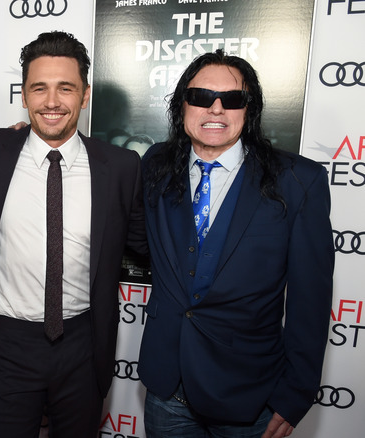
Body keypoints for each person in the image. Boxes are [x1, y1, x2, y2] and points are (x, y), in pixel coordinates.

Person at [0, 31, 147, 437]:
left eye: (66, 88)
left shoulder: (121, 166)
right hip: (8, 344)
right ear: (23, 95)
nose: (52, 101)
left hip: (83, 343)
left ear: (85, 95)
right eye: (39, 88)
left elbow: (150, 243)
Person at [139, 49, 334, 438]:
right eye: (200, 97)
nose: (216, 109)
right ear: (182, 105)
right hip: (166, 391)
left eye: (232, 99)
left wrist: (295, 395)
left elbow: (309, 301)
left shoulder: (297, 181)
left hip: (251, 395)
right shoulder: (155, 165)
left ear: (250, 110)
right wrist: (22, 144)